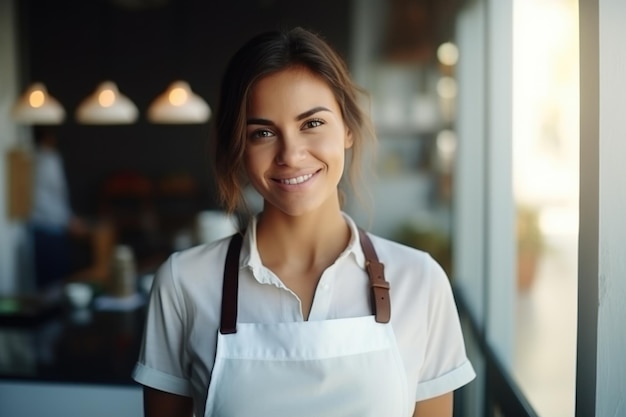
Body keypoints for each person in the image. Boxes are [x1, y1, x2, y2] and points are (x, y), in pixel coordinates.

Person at [132, 27, 475, 417]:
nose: (291, 155)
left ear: (347, 128)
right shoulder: (183, 283)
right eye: (262, 133)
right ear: (238, 148)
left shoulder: (420, 281)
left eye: (312, 124)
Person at [29, 126, 89, 290]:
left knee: (42, 284)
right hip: (51, 229)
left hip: (34, 229)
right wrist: (69, 220)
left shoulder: (27, 157)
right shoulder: (48, 159)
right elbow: (54, 197)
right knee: (56, 285)